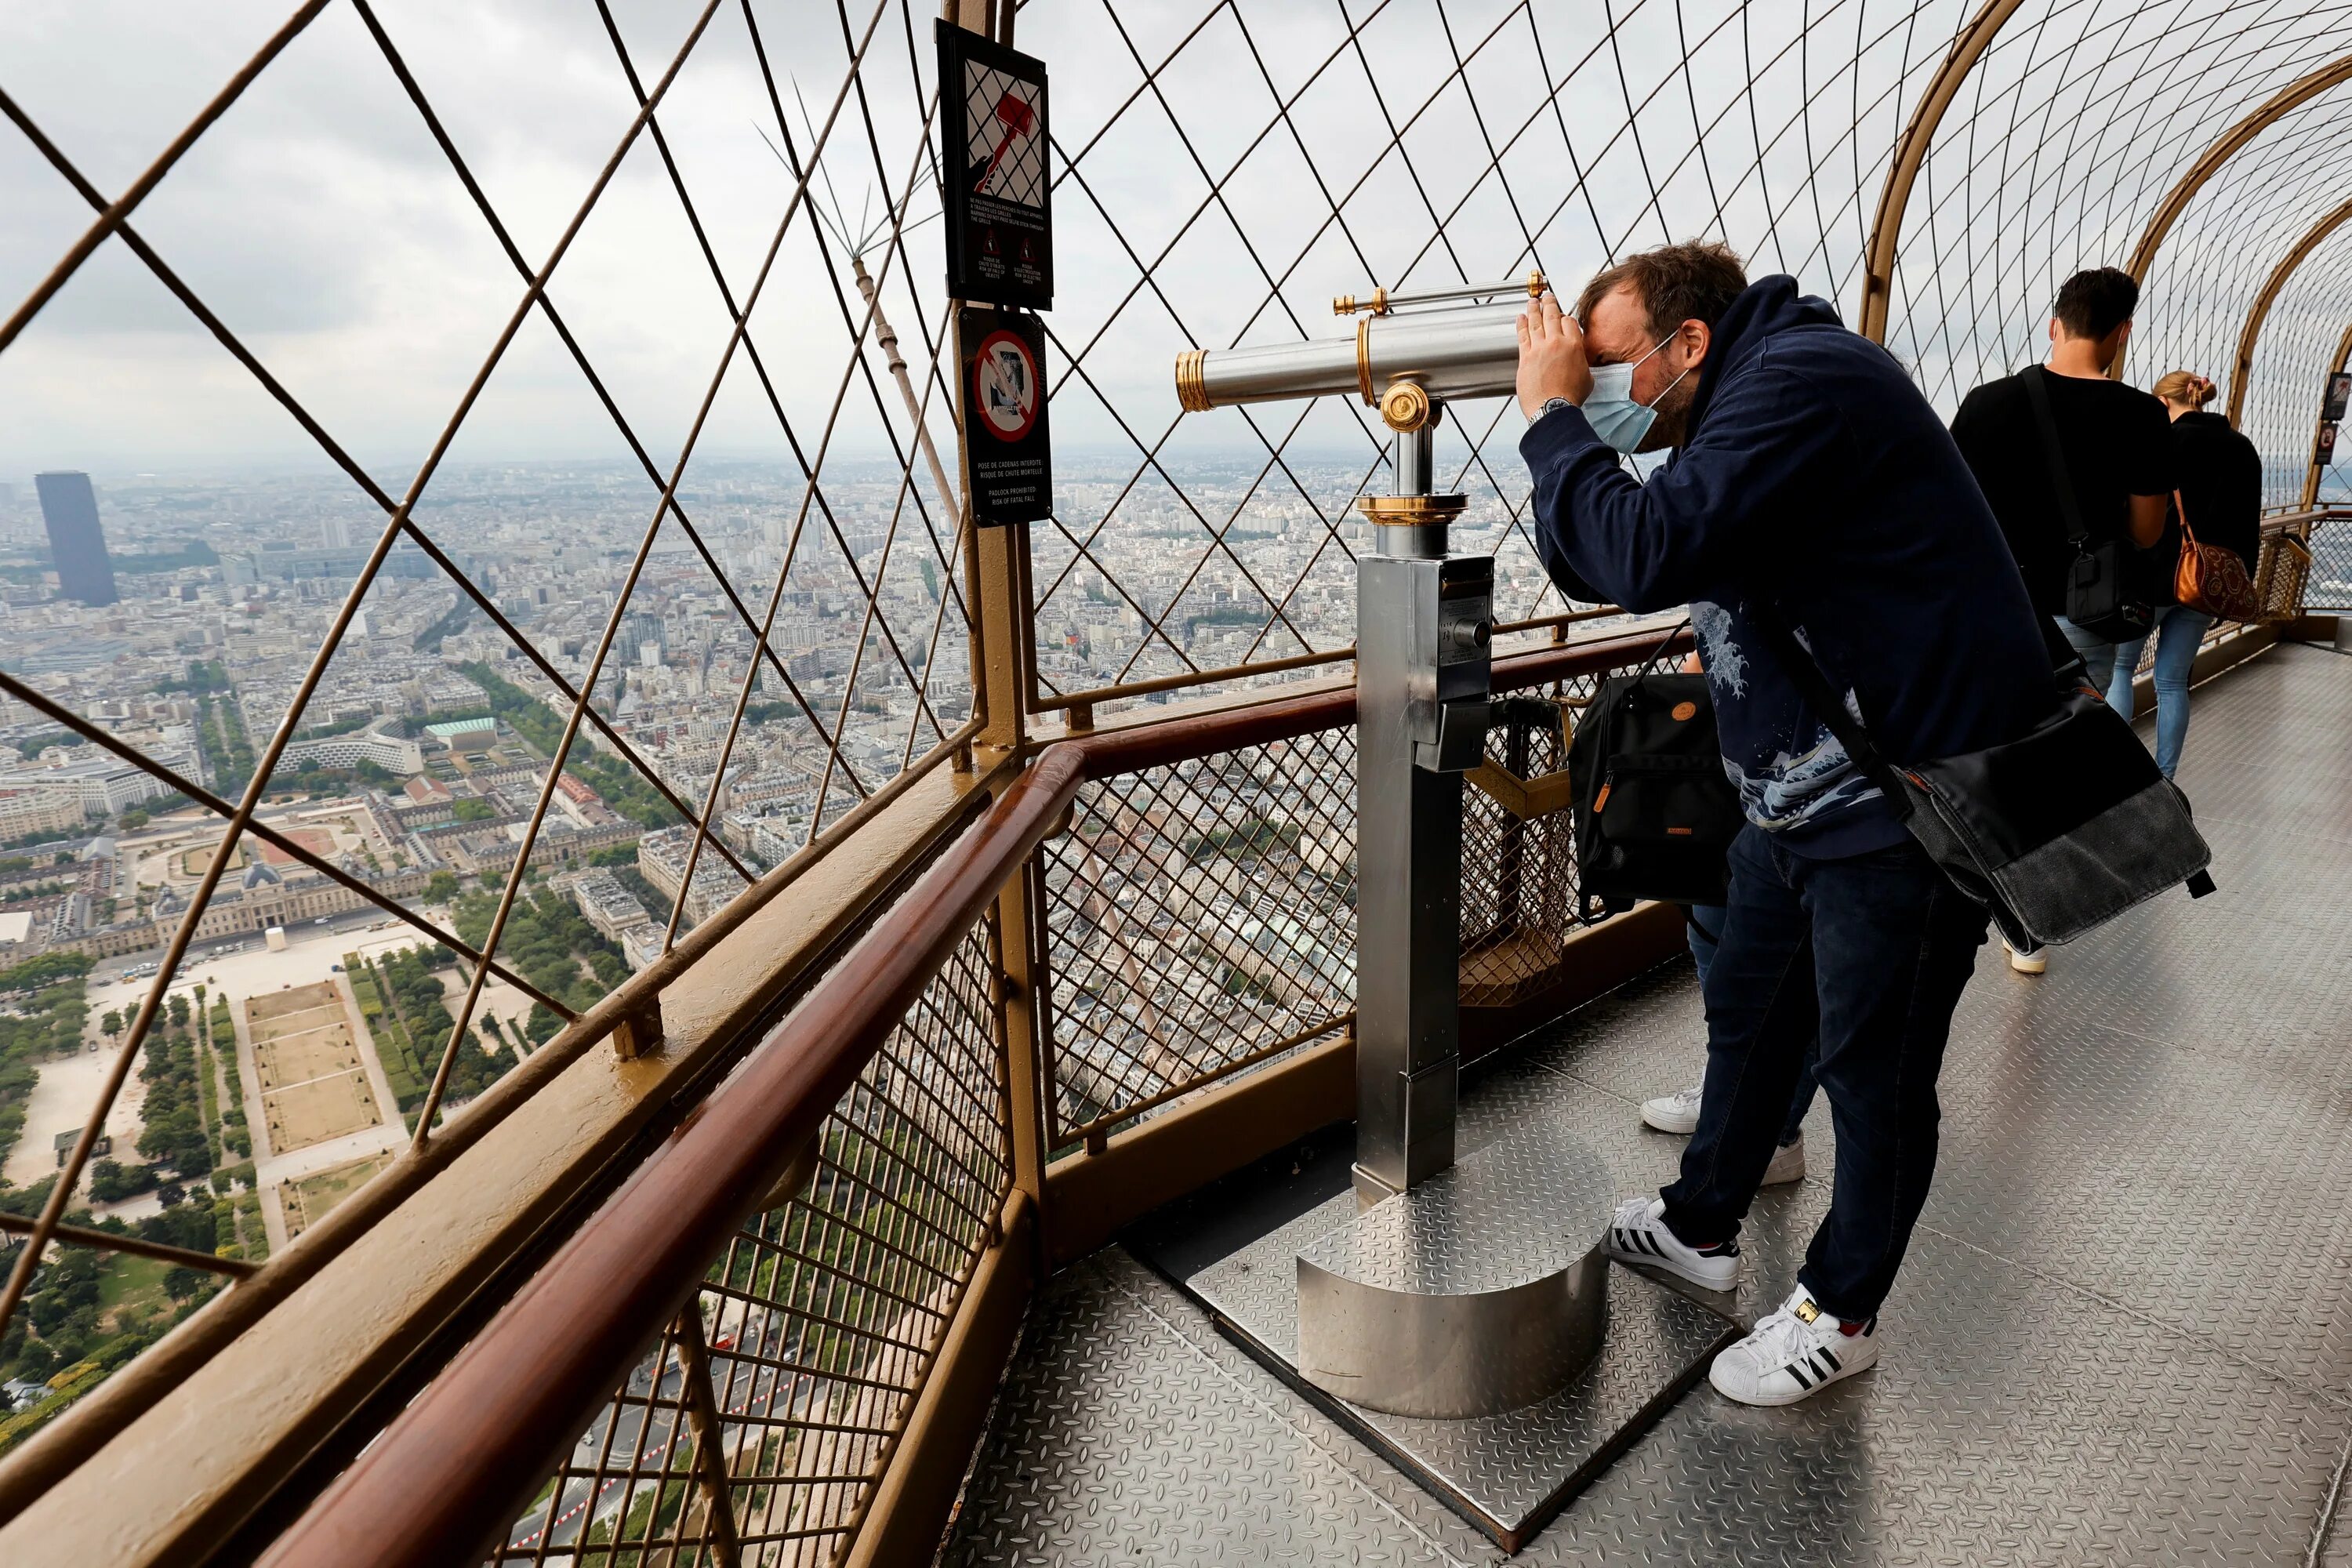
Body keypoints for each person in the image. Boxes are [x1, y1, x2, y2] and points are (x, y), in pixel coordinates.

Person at [1516, 241, 2053, 1407]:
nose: (1595, 387)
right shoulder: (1742, 405)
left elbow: (1641, 548)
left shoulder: (1804, 383)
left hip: (1901, 809)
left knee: (1875, 1071)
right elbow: (1599, 559)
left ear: (1687, 344)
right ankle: (1703, 1223)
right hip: (1801, 801)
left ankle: (1839, 1309)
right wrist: (1566, 427)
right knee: (1754, 1016)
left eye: (1608, 365)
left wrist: (1554, 416)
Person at [1950, 267, 2171, 971]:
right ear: (2122, 333)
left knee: (1992, 753)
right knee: (2061, 755)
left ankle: (1972, 886)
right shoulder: (2141, 416)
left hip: (1992, 608)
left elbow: (1952, 514)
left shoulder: (1986, 406)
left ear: (2055, 322)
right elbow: (2143, 531)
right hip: (2084, 610)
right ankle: (2035, 918)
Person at [1640, 661, 1817, 1189]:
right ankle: (1736, 1101)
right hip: (1757, 774)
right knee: (1718, 938)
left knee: (1771, 966)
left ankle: (1769, 1133)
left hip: (1800, 781)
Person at [2105, 371, 2262, 778]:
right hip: (2206, 584)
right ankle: (2167, 777)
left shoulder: (2163, 442)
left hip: (2153, 578)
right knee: (2172, 682)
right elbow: (2248, 523)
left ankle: (2116, 774)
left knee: (2121, 669)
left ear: (2162, 403)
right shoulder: (2243, 448)